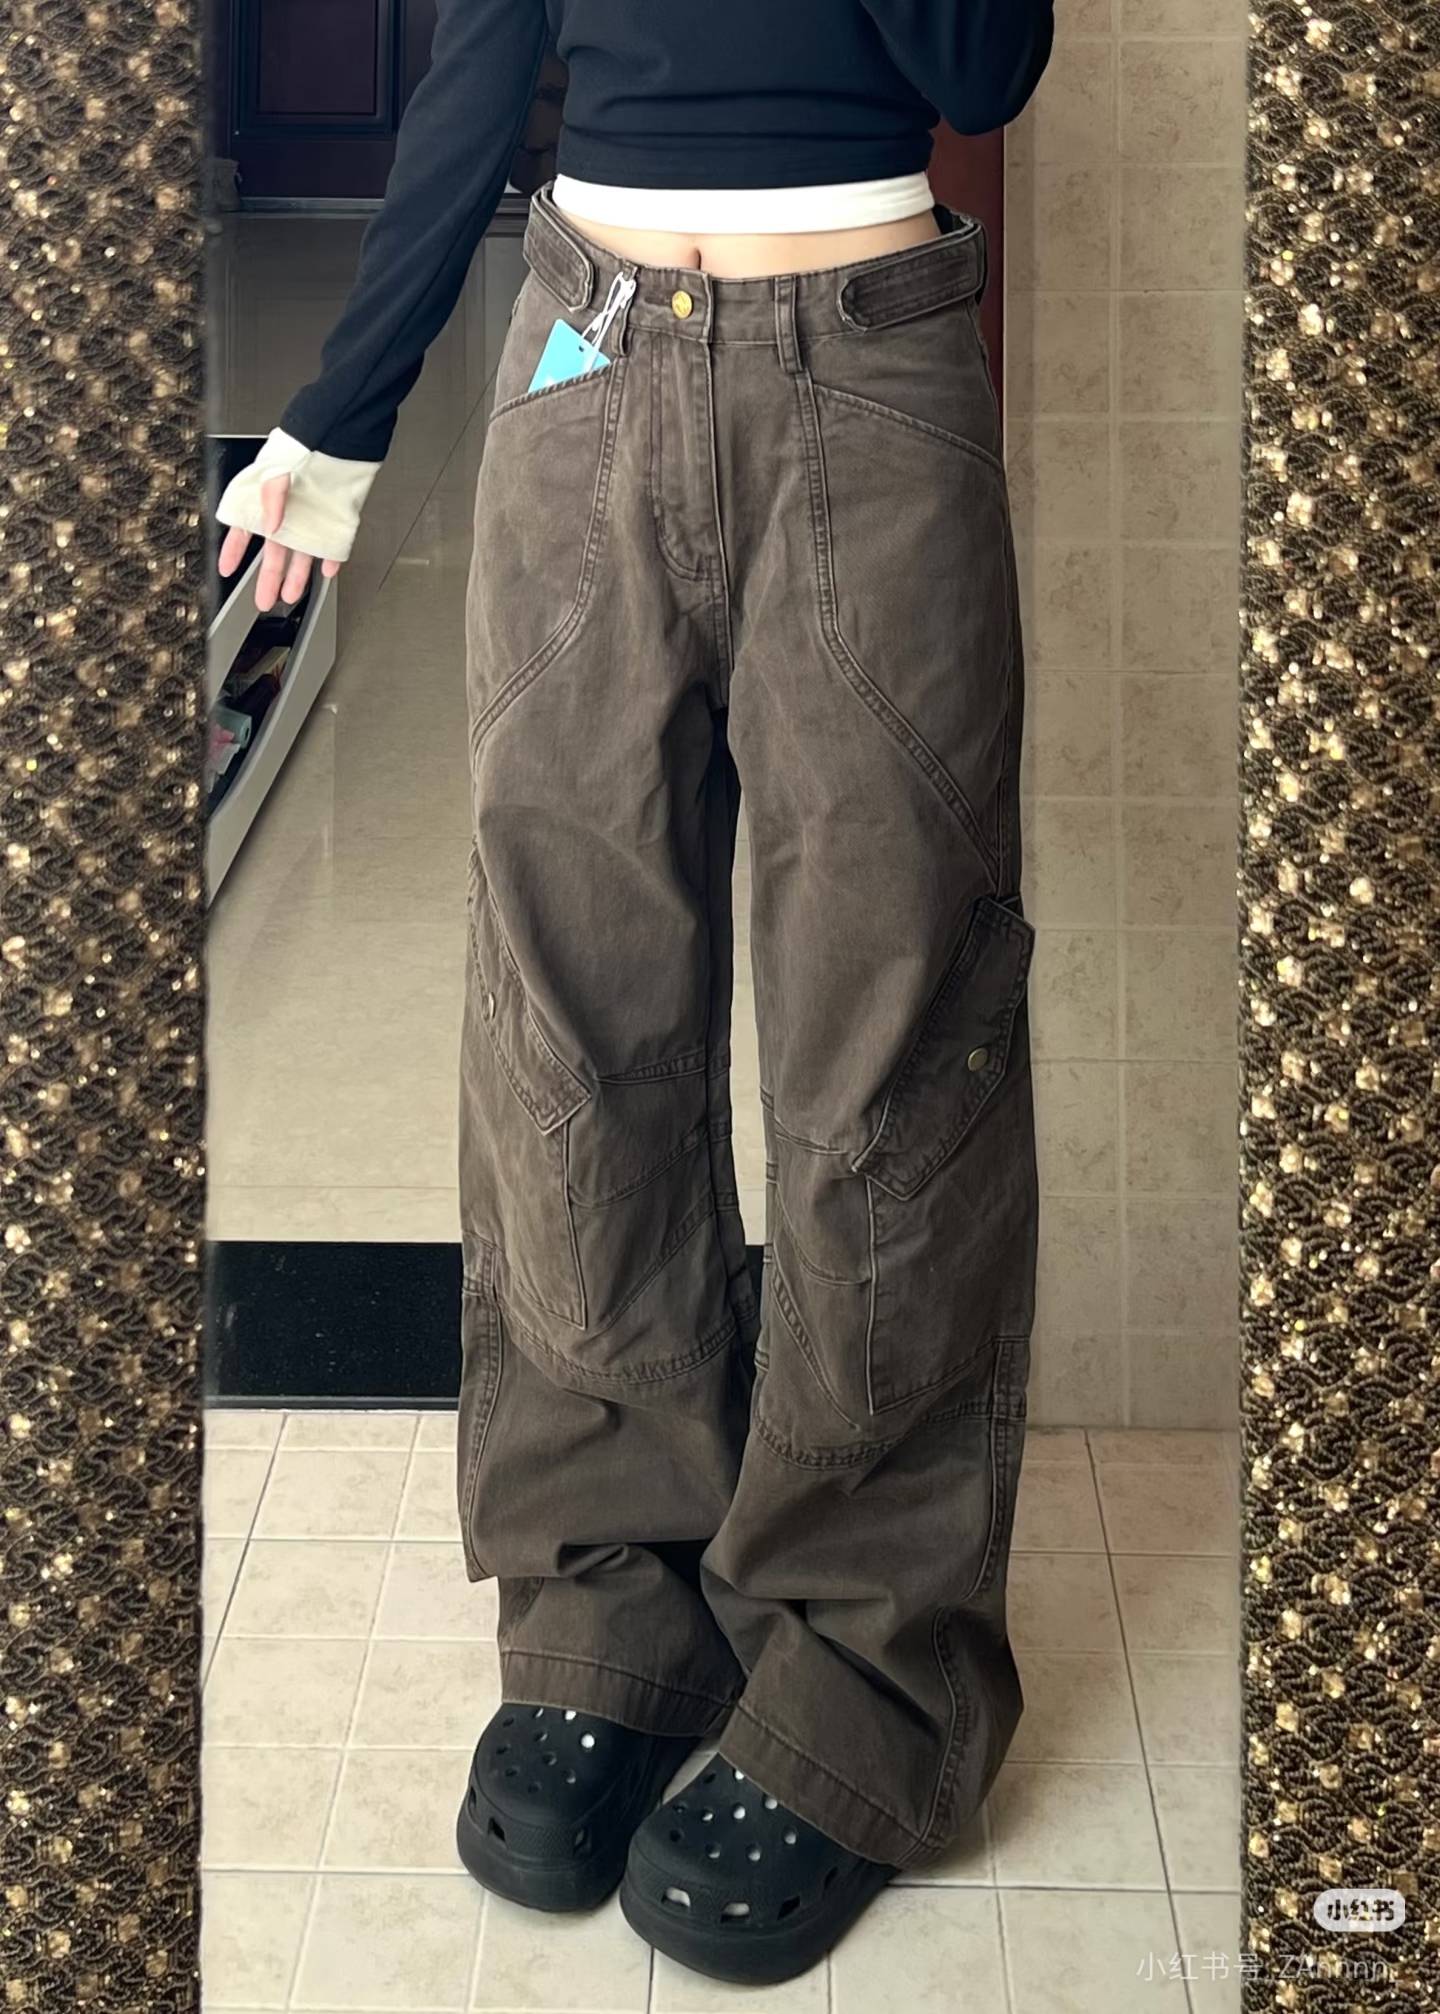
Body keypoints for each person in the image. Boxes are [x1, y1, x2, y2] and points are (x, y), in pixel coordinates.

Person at [216, 0, 1053, 1986]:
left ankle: (868, 1677)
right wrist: (337, 415)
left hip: (866, 367)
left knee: (885, 1051)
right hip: (582, 354)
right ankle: (611, 1609)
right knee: (570, 1027)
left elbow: (983, 68)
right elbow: (480, 63)